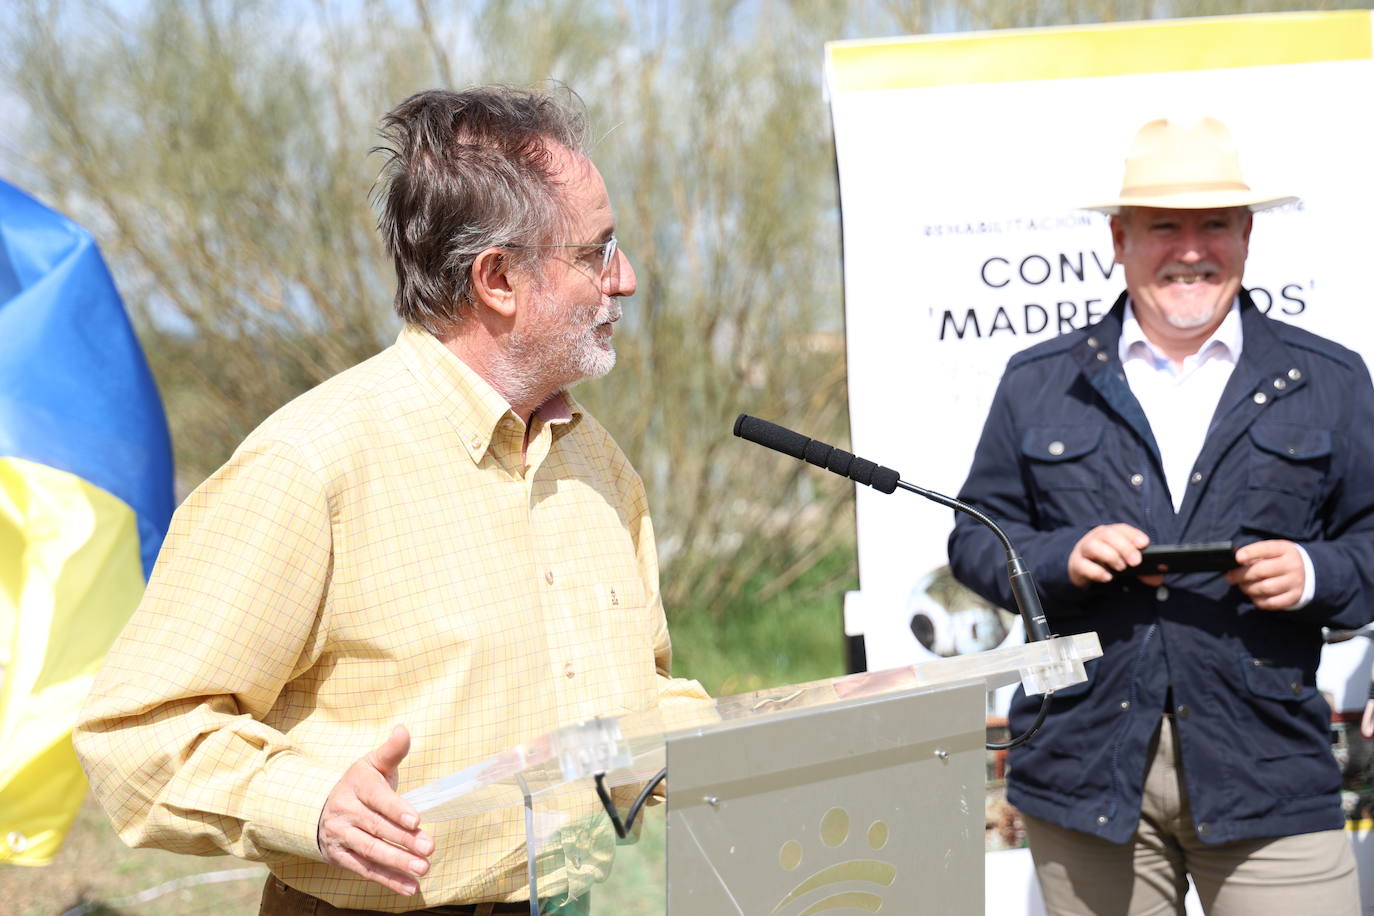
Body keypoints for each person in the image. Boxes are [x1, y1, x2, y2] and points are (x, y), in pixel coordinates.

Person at [74, 86, 703, 916]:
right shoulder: (308, 464)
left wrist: (797, 733)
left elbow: (631, 700)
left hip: (589, 897)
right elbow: (136, 732)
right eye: (598, 251)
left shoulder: (596, 460)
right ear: (500, 279)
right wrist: (310, 802)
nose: (622, 279)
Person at [949, 116, 1374, 915]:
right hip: (1083, 770)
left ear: (1246, 235)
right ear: (1118, 237)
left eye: (1214, 224)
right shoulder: (1039, 381)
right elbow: (976, 536)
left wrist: (1315, 571)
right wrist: (1059, 561)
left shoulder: (1330, 379)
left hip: (1269, 770)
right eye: (1162, 227)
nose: (1190, 249)